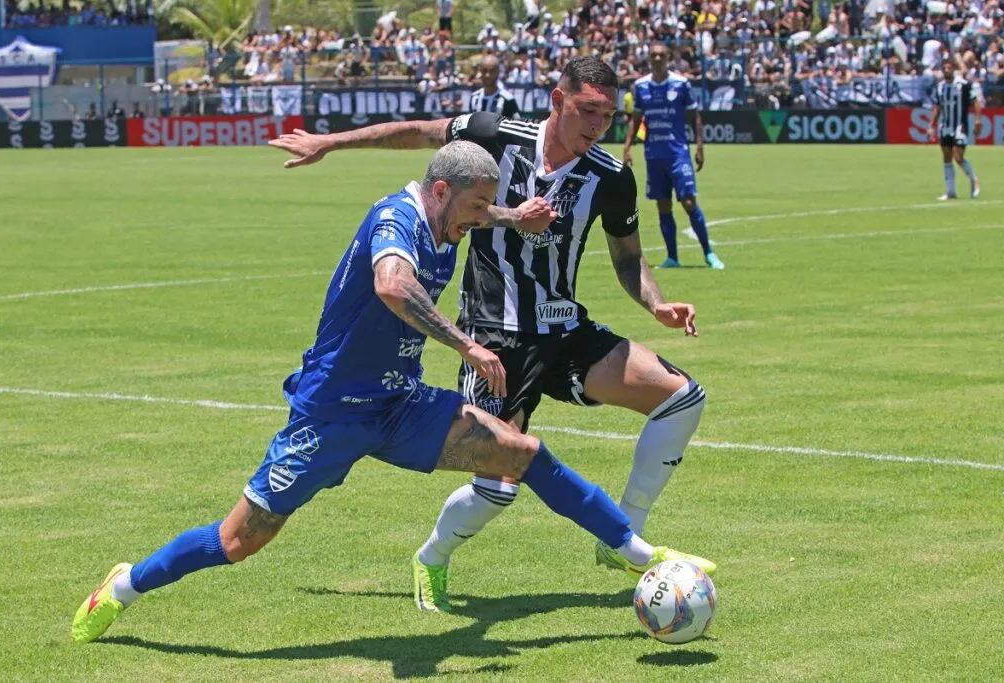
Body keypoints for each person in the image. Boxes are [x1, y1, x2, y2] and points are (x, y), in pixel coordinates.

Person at [70, 142, 690, 640]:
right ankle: (123, 587)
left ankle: (638, 553)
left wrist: (512, 215)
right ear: (441, 192)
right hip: (331, 415)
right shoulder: (395, 220)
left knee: (518, 453)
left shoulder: (449, 209)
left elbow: (481, 213)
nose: (481, 220)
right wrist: (467, 346)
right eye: (477, 208)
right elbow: (394, 286)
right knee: (238, 542)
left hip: (399, 403)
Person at [269, 57, 716, 611]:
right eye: (588, 110)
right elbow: (418, 134)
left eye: (608, 115)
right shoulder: (494, 136)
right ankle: (432, 557)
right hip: (495, 337)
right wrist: (332, 142)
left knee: (681, 398)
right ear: (558, 100)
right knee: (497, 489)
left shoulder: (611, 177)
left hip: (564, 328)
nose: (599, 125)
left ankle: (624, 539)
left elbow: (628, 259)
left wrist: (656, 302)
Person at [624, 43, 724, 270]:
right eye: (653, 55)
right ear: (649, 58)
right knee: (663, 205)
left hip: (678, 153)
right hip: (653, 154)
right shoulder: (640, 86)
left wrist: (700, 147)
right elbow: (636, 119)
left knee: (689, 201)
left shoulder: (681, 83)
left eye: (661, 55)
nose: (657, 58)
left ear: (668, 57)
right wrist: (627, 146)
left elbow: (694, 116)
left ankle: (709, 253)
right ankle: (672, 258)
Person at [927, 56, 984, 200]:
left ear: (954, 69)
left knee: (958, 156)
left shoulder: (963, 85)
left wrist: (978, 120)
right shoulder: (940, 87)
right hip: (945, 126)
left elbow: (975, 102)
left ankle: (974, 179)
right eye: (944, 68)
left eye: (949, 68)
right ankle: (950, 192)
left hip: (960, 126)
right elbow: (937, 107)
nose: (946, 70)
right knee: (946, 158)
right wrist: (930, 126)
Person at [469, 54, 521, 119]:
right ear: (480, 72)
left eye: (492, 71)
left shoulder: (507, 99)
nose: (488, 75)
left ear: (498, 72)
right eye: (484, 71)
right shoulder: (474, 97)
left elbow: (517, 123)